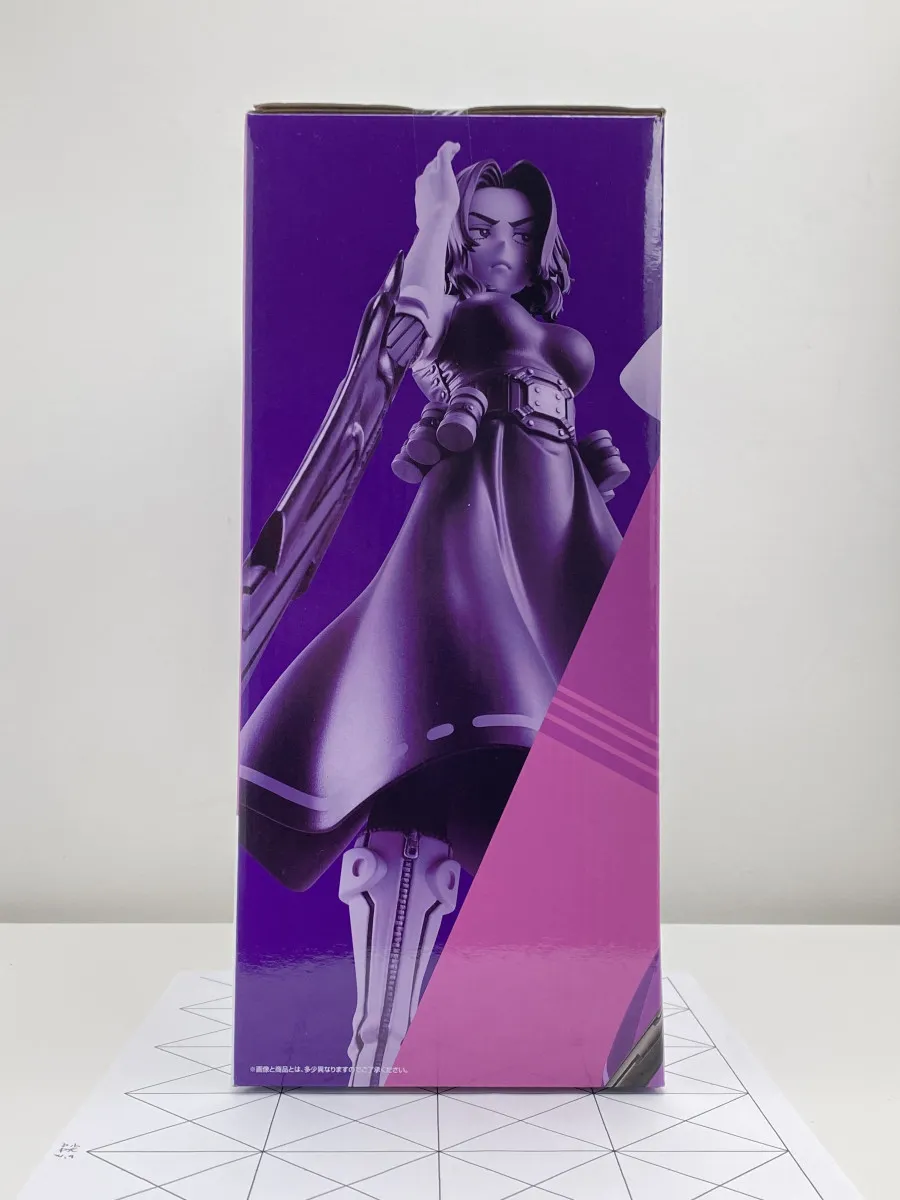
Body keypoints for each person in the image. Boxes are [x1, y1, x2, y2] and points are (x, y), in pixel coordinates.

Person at [239, 141, 629, 1085]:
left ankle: (551, 1028)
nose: (502, 249)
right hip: (476, 510)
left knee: (574, 754)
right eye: (483, 230)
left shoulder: (552, 336)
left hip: (560, 525)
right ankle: (379, 1045)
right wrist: (431, 221)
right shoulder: (452, 310)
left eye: (521, 235)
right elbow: (410, 321)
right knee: (453, 687)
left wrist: (590, 469)